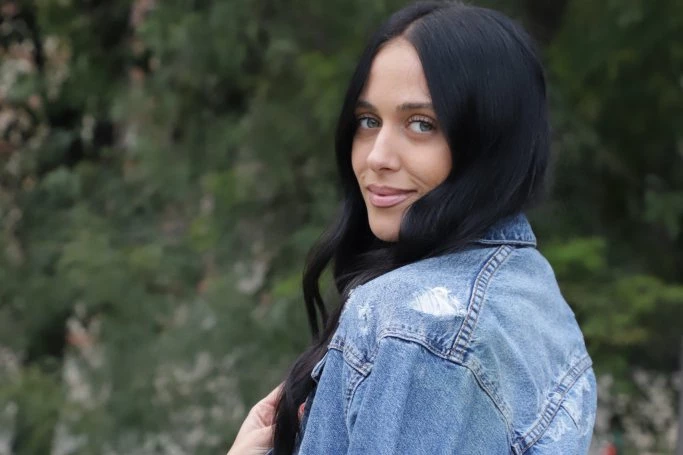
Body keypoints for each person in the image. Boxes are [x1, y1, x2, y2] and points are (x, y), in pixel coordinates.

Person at [228, 1, 597, 454]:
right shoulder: (539, 300)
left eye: (421, 124)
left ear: (489, 139)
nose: (377, 156)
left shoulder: (412, 325)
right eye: (368, 121)